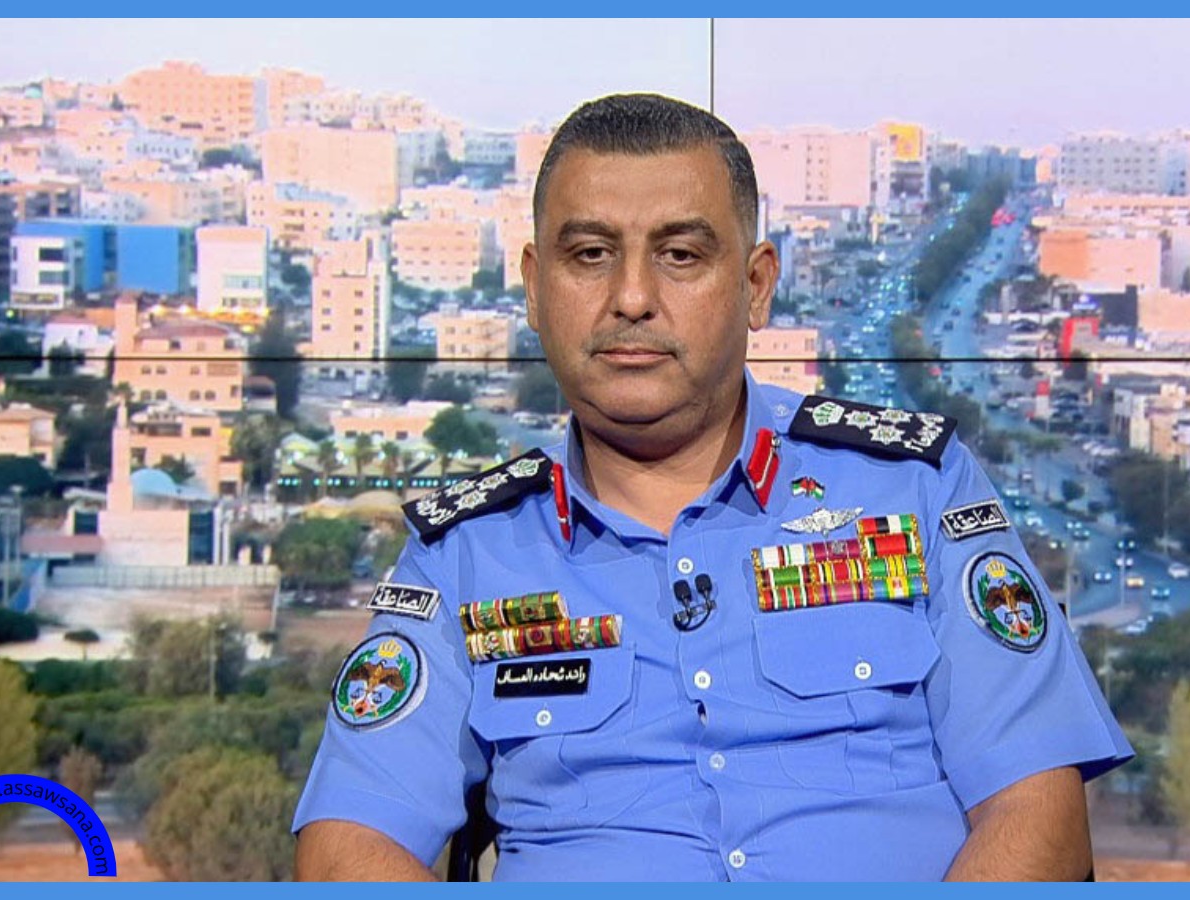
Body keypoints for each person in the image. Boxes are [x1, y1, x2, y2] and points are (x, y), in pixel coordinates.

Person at [293, 93, 1132, 882]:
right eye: (590, 256)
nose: (631, 298)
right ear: (536, 289)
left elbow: (1039, 812)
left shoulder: (915, 487)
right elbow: (347, 845)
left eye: (681, 255)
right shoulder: (465, 553)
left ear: (756, 286)